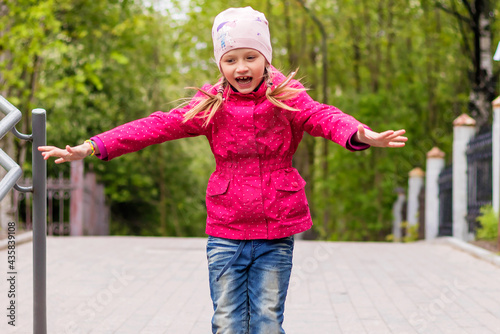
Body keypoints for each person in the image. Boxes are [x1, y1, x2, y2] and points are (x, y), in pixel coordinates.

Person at [39, 6, 407, 334]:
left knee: (266, 320)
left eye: (251, 57)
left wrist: (359, 134)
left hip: (275, 229)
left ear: (266, 58)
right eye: (231, 59)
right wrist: (92, 145)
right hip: (226, 231)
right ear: (220, 63)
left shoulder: (289, 98)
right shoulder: (211, 106)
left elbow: (324, 116)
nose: (241, 67)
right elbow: (154, 126)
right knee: (228, 321)